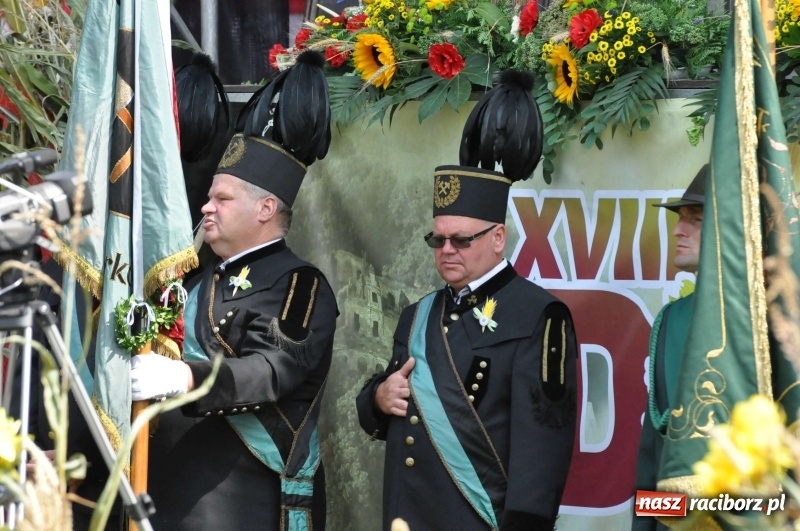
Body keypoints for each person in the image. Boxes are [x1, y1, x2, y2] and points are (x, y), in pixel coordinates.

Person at [356, 72, 578, 531]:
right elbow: (383, 413)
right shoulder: (418, 314)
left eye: (461, 240)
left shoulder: (539, 315)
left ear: (498, 238)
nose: (447, 251)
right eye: (437, 240)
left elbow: (543, 450)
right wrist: (378, 398)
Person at [130, 51, 337, 531]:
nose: (206, 207)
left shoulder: (299, 285)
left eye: (222, 198)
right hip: (163, 506)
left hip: (242, 509)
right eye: (209, 196)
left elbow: (272, 371)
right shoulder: (194, 279)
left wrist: (184, 377)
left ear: (266, 209)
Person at [633, 164, 706, 531]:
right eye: (681, 218)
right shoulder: (670, 321)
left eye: (696, 219)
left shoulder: (775, 323)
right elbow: (654, 451)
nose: (678, 230)